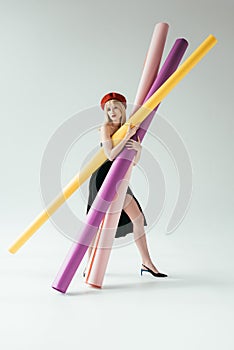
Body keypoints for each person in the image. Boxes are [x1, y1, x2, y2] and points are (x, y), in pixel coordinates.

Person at [85, 92, 167, 278]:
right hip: (103, 177)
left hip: (119, 178)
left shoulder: (129, 127)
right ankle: (89, 266)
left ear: (122, 107)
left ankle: (147, 263)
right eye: (108, 109)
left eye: (115, 107)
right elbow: (110, 155)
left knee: (137, 219)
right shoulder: (106, 127)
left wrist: (139, 150)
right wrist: (127, 136)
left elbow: (134, 162)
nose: (112, 112)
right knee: (95, 224)